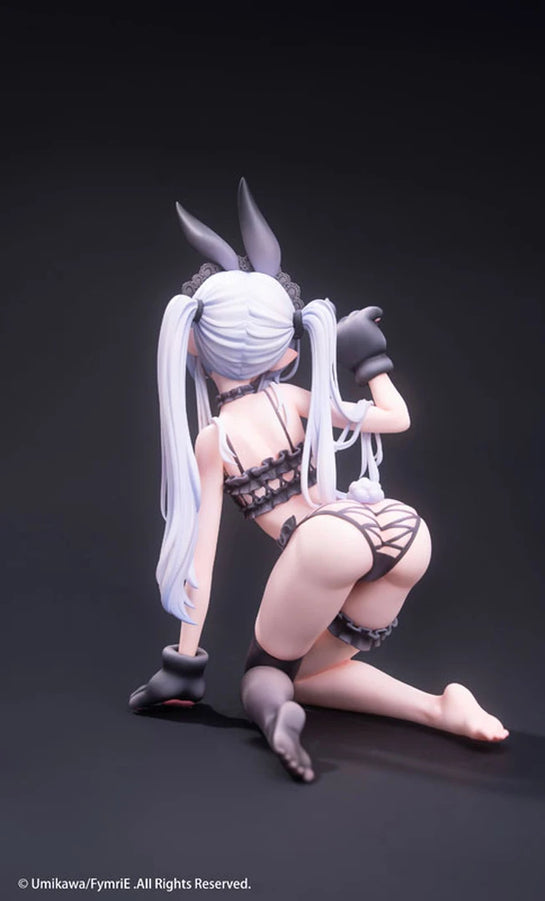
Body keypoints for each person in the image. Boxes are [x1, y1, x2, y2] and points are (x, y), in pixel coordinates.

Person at [129, 179, 508, 782]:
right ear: (286, 350)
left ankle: (275, 715)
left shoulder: (215, 438)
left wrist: (185, 663)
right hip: (400, 527)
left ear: (193, 344)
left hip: (327, 538)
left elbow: (202, 556)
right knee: (316, 673)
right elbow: (397, 418)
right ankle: (442, 709)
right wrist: (366, 358)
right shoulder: (294, 397)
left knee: (268, 673)